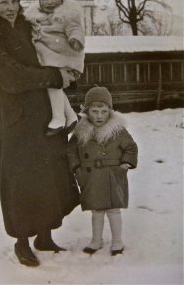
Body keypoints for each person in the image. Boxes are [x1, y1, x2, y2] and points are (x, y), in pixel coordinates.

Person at [0, 0, 80, 267]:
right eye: (3, 3)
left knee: (48, 174)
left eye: (14, 1)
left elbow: (54, 49)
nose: (10, 8)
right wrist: (54, 76)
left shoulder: (30, 25)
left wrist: (68, 65)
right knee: (20, 180)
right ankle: (22, 242)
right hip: (15, 120)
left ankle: (44, 236)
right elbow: (13, 78)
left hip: (45, 114)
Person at [67, 86, 138, 256]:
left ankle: (117, 241)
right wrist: (77, 168)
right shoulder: (81, 131)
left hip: (113, 175)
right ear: (86, 111)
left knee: (114, 210)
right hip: (91, 177)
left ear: (110, 112)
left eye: (103, 111)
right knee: (96, 210)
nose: (99, 116)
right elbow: (71, 151)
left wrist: (125, 163)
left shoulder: (118, 130)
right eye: (95, 111)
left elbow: (131, 147)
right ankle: (96, 241)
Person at [25, 0, 85, 136]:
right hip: (51, 58)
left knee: (53, 83)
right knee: (53, 84)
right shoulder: (35, 16)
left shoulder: (67, 13)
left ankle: (59, 118)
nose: (50, 2)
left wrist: (75, 38)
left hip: (66, 57)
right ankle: (71, 116)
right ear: (39, 1)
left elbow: (75, 28)